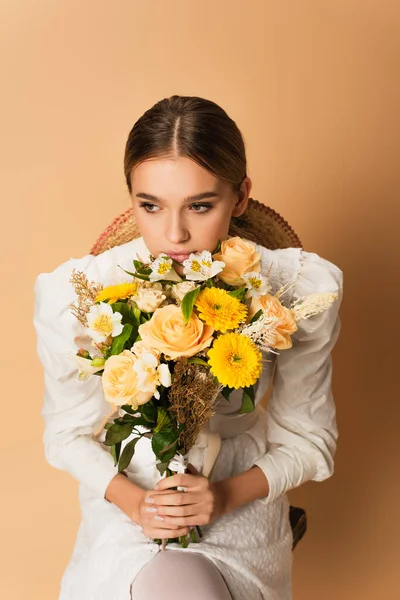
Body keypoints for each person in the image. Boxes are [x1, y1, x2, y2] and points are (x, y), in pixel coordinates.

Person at [33, 95, 344, 600]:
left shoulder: (296, 288)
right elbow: (67, 435)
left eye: (200, 205)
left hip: (240, 502)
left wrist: (223, 497)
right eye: (150, 205)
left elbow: (310, 442)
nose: (174, 234)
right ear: (130, 197)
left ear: (240, 197)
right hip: (124, 509)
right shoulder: (80, 295)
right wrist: (137, 504)